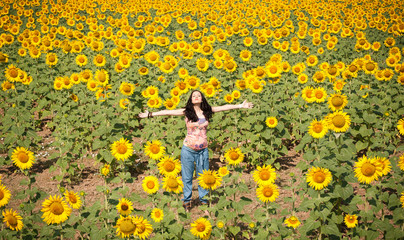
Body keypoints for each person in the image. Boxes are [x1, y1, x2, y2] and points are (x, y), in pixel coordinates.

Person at [139, 90, 253, 212]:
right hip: (188, 149)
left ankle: (204, 201)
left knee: (203, 176)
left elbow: (225, 107)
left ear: (202, 98)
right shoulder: (187, 112)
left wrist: (241, 105)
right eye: (194, 96)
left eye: (198, 95)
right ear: (191, 99)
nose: (196, 97)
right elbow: (168, 112)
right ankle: (187, 202)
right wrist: (150, 114)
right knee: (187, 177)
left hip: (203, 150)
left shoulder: (207, 111)